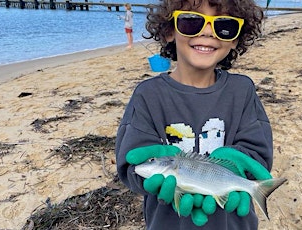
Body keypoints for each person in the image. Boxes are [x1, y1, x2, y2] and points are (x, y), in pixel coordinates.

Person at [115, 0, 276, 229]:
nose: (208, 32)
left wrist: (241, 163)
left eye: (224, 26)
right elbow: (130, 165)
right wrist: (144, 173)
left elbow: (258, 153)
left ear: (235, 39)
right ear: (169, 30)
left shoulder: (242, 91)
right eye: (191, 21)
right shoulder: (147, 95)